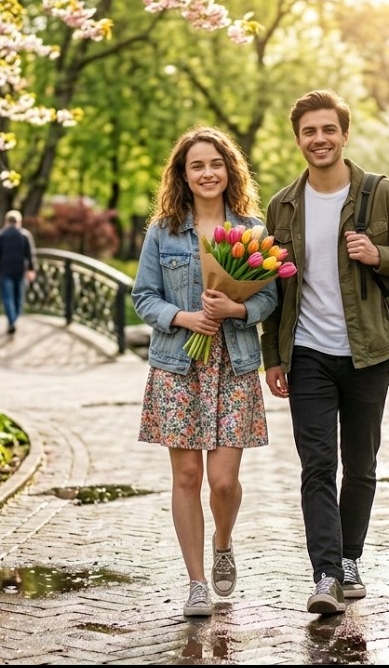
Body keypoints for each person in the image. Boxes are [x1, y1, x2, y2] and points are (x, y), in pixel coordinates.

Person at [261, 90, 389, 615]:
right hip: (308, 353)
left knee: (360, 466)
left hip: (368, 353)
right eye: (309, 132)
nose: (319, 139)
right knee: (318, 465)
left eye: (328, 130)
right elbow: (272, 290)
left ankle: (351, 557)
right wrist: (274, 355)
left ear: (344, 134)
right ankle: (325, 575)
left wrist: (379, 254)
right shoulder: (281, 206)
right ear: (298, 140)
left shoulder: (382, 195)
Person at [131, 126, 277, 619]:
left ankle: (223, 539)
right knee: (188, 474)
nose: (207, 172)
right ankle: (196, 582)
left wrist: (236, 311)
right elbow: (143, 296)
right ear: (184, 174)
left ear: (228, 169)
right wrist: (184, 317)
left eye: (215, 163)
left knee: (222, 481)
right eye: (197, 165)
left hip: (232, 364)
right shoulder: (162, 232)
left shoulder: (251, 230)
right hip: (178, 364)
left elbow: (269, 296)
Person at [0, 209, 37, 335]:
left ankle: (11, 320)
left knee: (8, 297)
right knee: (19, 298)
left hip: (5, 271)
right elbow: (30, 254)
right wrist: (31, 270)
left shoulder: (1, 235)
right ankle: (14, 319)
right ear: (19, 222)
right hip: (20, 271)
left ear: (6, 221)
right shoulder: (25, 235)